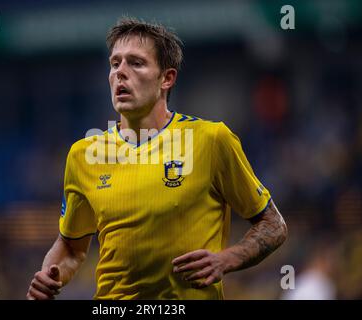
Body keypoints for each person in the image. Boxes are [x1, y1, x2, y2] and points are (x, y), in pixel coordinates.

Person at [27, 17, 288, 300]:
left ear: (167, 78)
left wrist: (228, 259)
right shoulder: (83, 155)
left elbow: (273, 225)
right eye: (115, 64)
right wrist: (49, 275)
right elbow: (71, 249)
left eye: (136, 63)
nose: (121, 73)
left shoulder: (211, 140)